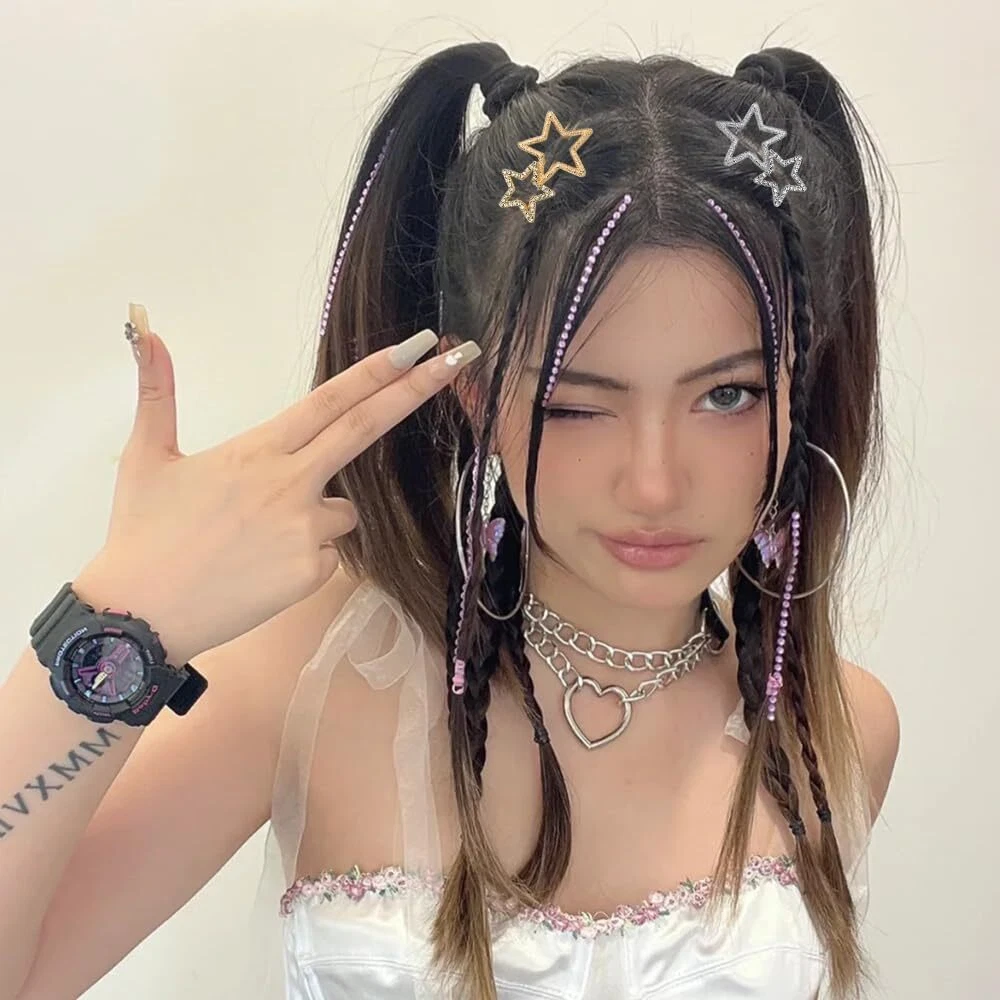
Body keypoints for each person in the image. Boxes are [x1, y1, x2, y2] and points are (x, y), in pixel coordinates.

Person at [0, 40, 900, 1000]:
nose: (653, 483)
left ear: (799, 388)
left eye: (727, 395)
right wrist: (120, 618)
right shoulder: (318, 672)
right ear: (475, 396)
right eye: (573, 404)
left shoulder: (841, 727)